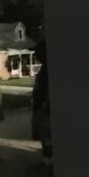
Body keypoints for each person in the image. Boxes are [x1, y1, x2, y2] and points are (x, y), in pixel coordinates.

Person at [30, 40, 53, 169]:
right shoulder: (45, 68)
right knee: (43, 135)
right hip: (40, 106)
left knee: (47, 136)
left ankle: (48, 162)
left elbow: (49, 89)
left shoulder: (48, 69)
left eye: (37, 51)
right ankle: (47, 160)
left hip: (44, 108)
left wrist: (45, 104)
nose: (35, 53)